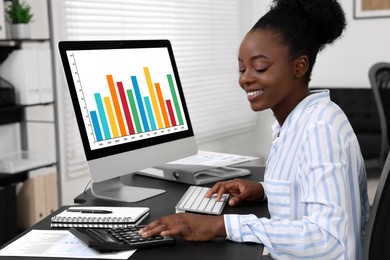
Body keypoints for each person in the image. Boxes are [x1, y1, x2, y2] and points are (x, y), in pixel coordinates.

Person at [139, 0, 370, 259]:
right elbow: (307, 189)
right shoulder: (295, 123)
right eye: (242, 68)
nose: (245, 78)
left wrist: (220, 226)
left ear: (299, 66)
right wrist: (264, 189)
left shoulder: (320, 129)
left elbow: (328, 240)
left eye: (260, 67)